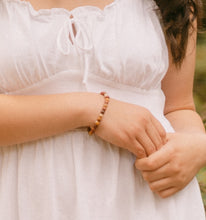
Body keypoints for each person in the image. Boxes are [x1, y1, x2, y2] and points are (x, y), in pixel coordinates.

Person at [0, 0, 205, 219]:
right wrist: (94, 109)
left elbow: (179, 107)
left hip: (148, 200)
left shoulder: (173, 3)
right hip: (32, 198)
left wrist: (197, 146)